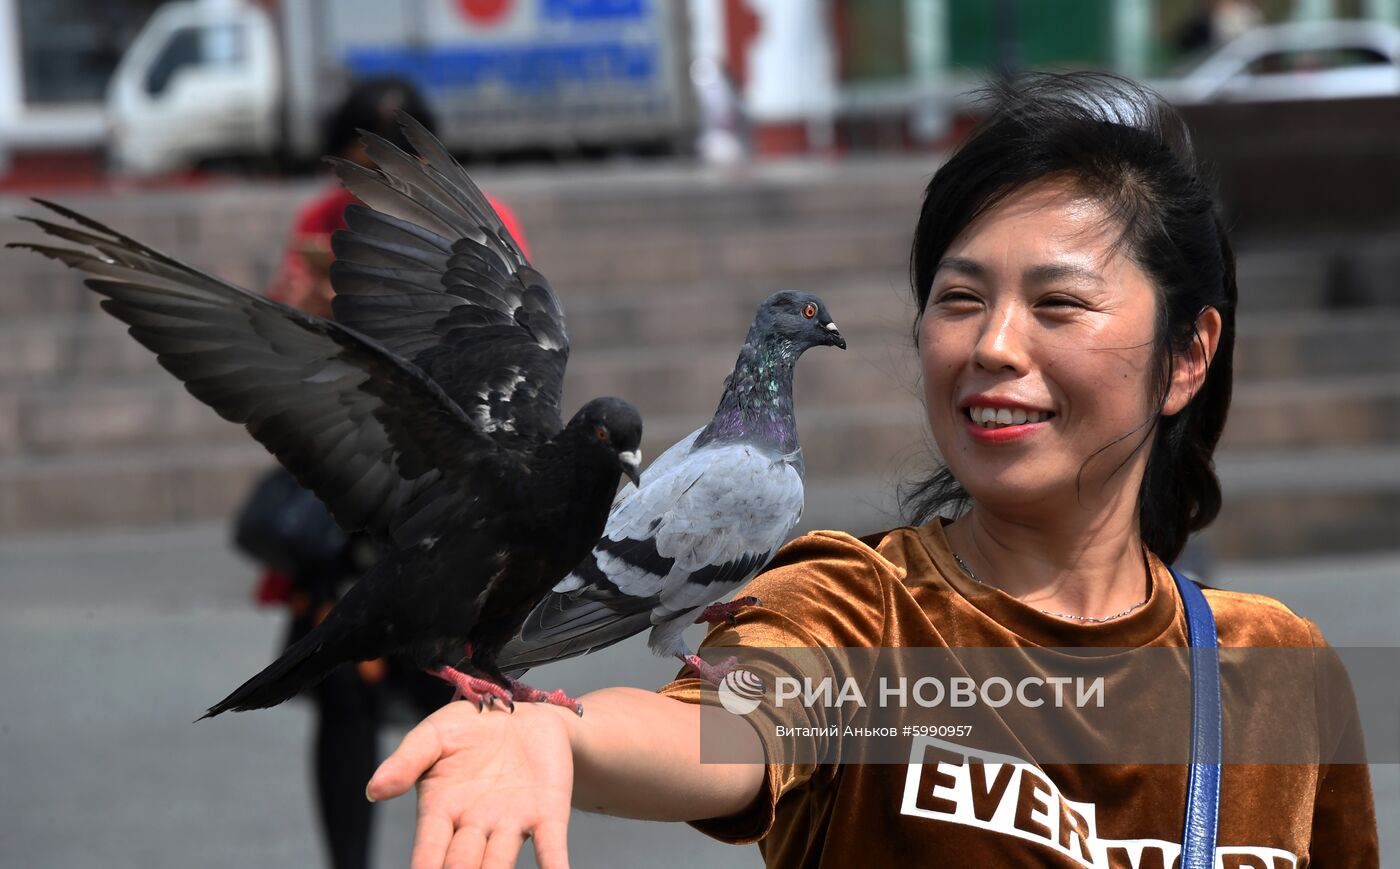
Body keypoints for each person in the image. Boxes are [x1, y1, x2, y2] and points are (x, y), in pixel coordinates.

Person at [360, 72, 1380, 868]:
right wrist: (558, 738)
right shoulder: (863, 618)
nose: (992, 345)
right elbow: (731, 724)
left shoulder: (1274, 665)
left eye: (1057, 304)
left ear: (1186, 355)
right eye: (959, 297)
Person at [244, 79, 529, 869]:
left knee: (460, 697)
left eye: (392, 160)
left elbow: (510, 356)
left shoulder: (485, 224)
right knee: (341, 691)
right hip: (362, 493)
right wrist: (297, 307)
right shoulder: (319, 221)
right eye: (361, 164)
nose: (374, 180)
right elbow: (287, 365)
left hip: (453, 503)